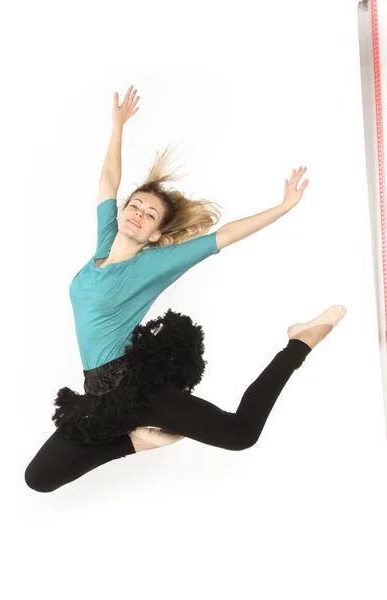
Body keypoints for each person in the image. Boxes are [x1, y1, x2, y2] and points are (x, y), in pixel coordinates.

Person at [24, 85, 347, 493]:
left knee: (240, 433)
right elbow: (108, 179)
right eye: (135, 206)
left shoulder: (155, 262)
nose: (138, 214)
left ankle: (299, 342)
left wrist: (282, 207)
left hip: (134, 386)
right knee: (39, 478)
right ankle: (135, 443)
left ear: (157, 233)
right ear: (123, 212)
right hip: (98, 391)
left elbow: (224, 236)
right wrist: (118, 126)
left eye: (149, 214)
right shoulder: (105, 242)